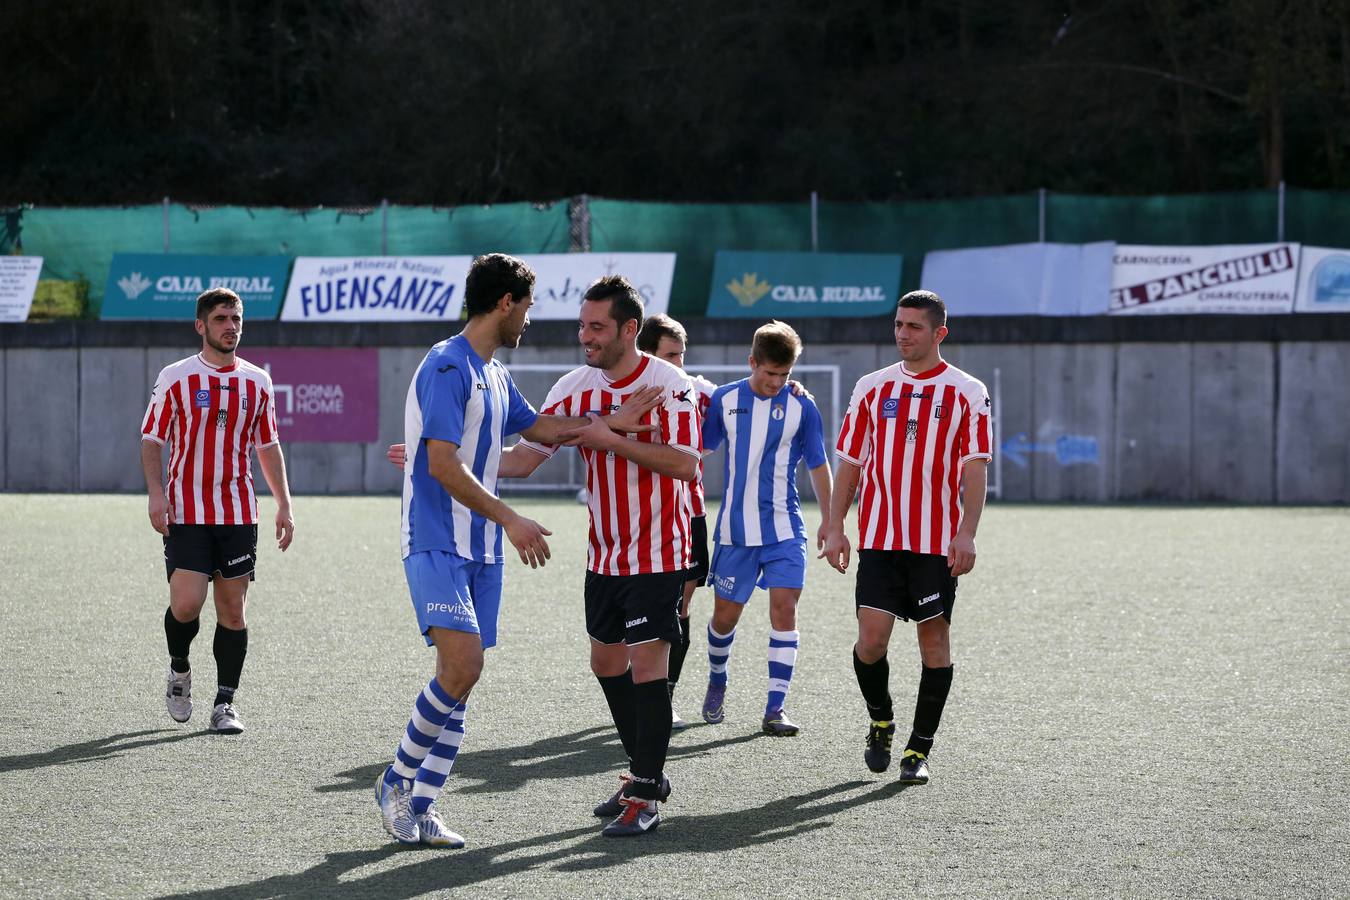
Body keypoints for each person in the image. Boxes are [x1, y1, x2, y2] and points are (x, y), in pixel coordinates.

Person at [375, 254, 661, 848]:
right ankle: (396, 781)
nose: (529, 320)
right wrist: (511, 519)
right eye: (527, 307)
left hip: (479, 549)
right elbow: (440, 464)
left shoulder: (495, 374)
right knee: (463, 667)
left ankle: (422, 809)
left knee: (462, 677)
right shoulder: (447, 366)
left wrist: (616, 418)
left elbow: (546, 431)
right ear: (505, 301)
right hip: (436, 539)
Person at [507, 276, 700, 837]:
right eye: (582, 325)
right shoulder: (573, 384)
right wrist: (445, 461)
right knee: (606, 662)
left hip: (660, 549)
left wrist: (607, 437)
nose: (585, 337)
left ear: (629, 329)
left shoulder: (670, 383)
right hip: (606, 553)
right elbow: (524, 460)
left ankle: (644, 793)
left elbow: (686, 464)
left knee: (647, 663)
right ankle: (646, 772)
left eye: (597, 327)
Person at [819, 290, 992, 786]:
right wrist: (836, 525)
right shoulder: (872, 387)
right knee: (870, 644)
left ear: (940, 333)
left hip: (935, 544)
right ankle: (881, 719)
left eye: (914, 326)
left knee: (933, 641)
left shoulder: (966, 390)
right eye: (898, 324)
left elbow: (974, 467)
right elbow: (850, 462)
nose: (902, 333)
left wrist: (967, 533)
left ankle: (919, 749)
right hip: (879, 539)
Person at [140, 288, 295, 737]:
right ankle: (179, 670)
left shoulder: (257, 381)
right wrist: (156, 494)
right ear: (201, 325)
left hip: (238, 513)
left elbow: (268, 445)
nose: (231, 326)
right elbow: (151, 438)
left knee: (233, 612)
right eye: (222, 318)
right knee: (186, 605)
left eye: (237, 319)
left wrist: (284, 503)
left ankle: (224, 703)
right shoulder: (176, 377)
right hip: (186, 511)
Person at [697, 321, 833, 736]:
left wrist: (831, 520)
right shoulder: (724, 400)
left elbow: (818, 465)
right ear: (752, 362)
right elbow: (697, 452)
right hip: (735, 532)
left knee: (785, 609)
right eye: (770, 373)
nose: (777, 382)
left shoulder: (802, 407)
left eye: (785, 375)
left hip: (784, 528)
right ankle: (718, 678)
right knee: (724, 617)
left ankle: (775, 708)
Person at [634, 313, 716, 731]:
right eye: (670, 356)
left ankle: (663, 695)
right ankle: (637, 689)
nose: (678, 365)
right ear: (647, 354)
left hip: (690, 514)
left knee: (681, 604)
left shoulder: (696, 391)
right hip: (641, 518)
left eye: (681, 356)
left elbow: (746, 398)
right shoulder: (624, 392)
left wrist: (784, 388)